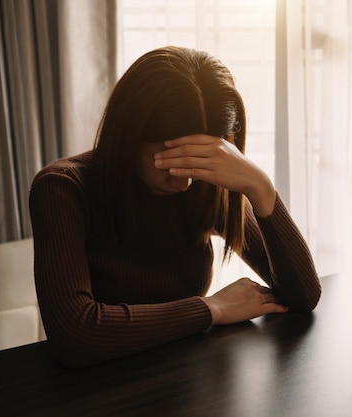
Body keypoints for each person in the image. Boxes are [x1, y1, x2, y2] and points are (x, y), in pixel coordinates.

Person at [29, 46, 321, 368]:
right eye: (170, 161)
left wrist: (260, 188)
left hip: (185, 378)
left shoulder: (203, 184)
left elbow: (303, 297)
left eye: (197, 162)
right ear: (128, 136)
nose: (184, 183)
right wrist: (212, 308)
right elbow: (77, 335)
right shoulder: (62, 189)